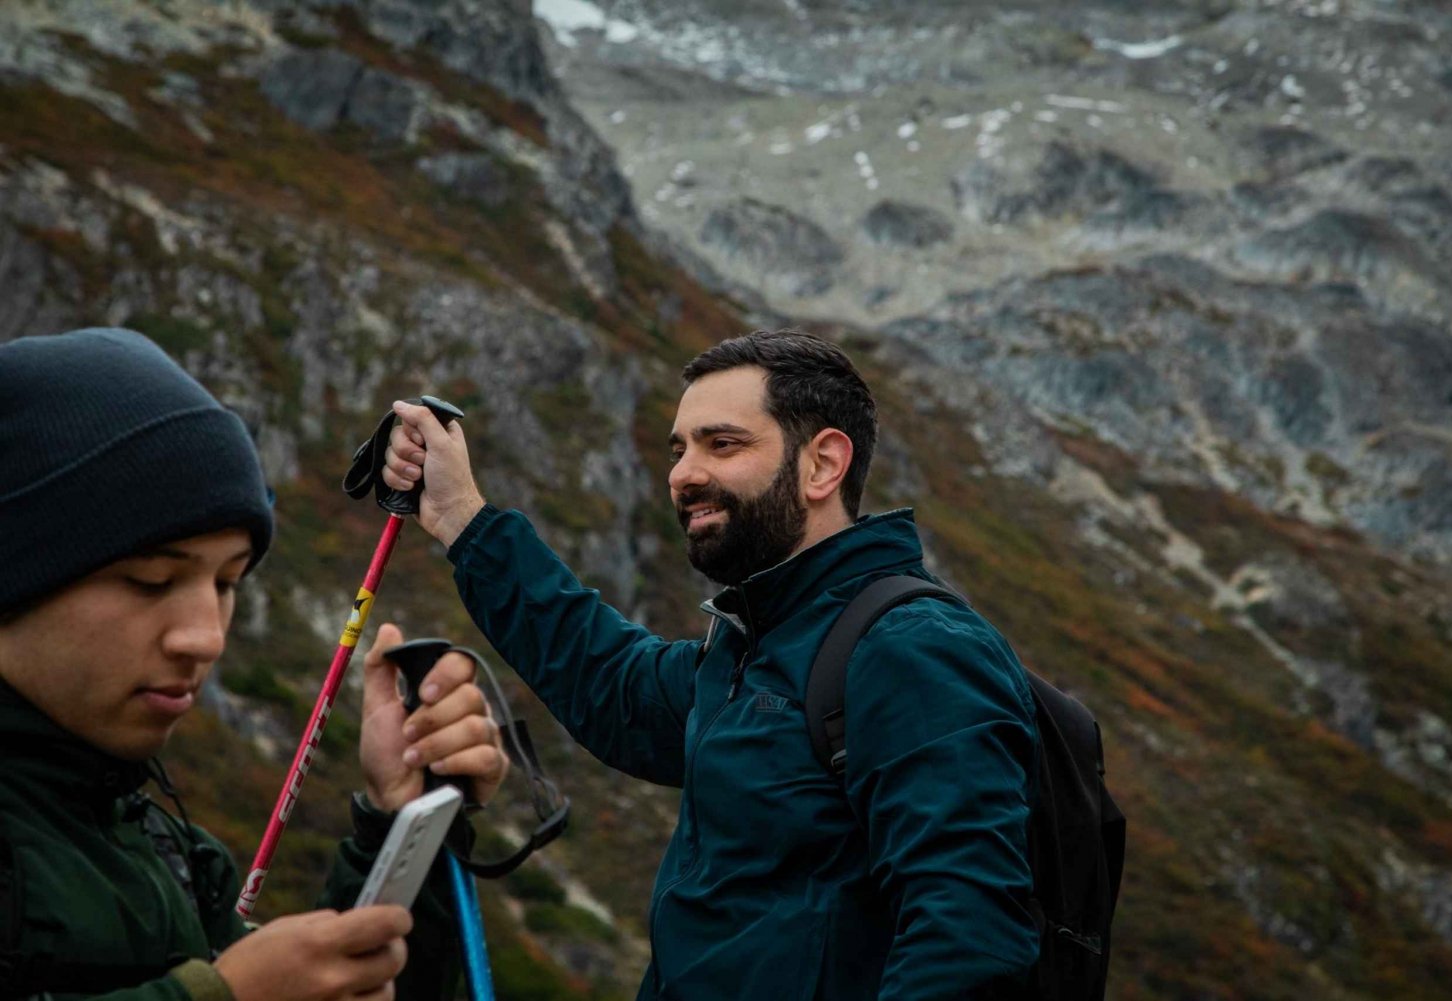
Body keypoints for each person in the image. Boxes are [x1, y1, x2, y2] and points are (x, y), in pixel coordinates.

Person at [382, 327, 1040, 999]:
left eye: (721, 443)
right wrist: (462, 516)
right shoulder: (754, 648)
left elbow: (968, 937)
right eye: (679, 448)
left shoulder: (914, 648)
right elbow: (611, 682)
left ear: (823, 464)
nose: (683, 473)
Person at [0, 328, 508, 1001]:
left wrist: (406, 820)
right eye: (151, 581)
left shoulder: (168, 850)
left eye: (227, 583)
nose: (205, 637)